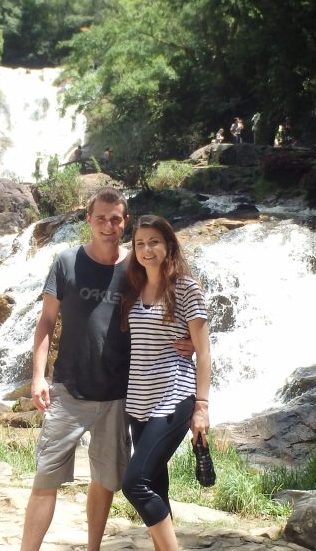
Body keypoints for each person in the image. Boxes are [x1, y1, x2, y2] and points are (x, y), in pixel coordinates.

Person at [21, 188, 192, 551]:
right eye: (100, 218)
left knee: (105, 480)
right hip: (68, 390)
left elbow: (171, 302)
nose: (108, 226)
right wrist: (38, 376)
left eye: (115, 219)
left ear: (125, 222)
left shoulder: (136, 267)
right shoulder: (66, 262)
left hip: (119, 396)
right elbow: (46, 322)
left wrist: (190, 340)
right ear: (89, 220)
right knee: (45, 479)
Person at [120, 215, 212, 551]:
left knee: (135, 484)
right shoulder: (132, 287)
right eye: (140, 243)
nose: (147, 249)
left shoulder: (185, 288)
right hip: (138, 401)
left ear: (168, 245)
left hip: (174, 396)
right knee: (156, 487)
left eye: (154, 242)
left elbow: (204, 351)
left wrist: (201, 407)